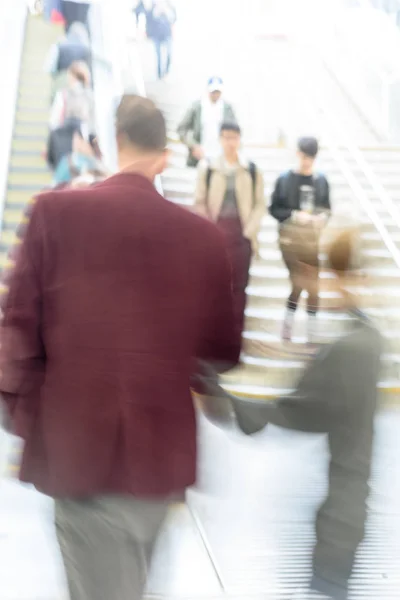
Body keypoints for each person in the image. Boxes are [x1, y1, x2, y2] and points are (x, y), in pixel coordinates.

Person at [0, 95, 240, 600]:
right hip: (160, 461)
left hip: (78, 453)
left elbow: (17, 328)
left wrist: (24, 416)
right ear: (165, 156)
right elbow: (221, 348)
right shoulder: (202, 237)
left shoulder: (53, 212)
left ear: (113, 143)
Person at [196, 229, 383, 600]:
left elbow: (295, 412)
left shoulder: (351, 348)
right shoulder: (366, 337)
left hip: (340, 516)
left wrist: (215, 389)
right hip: (346, 506)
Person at [195, 122, 265, 342]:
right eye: (226, 137)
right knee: (215, 286)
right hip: (216, 235)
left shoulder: (251, 169)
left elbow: (260, 204)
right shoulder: (208, 167)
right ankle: (217, 334)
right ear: (219, 139)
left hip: (241, 236)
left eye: (234, 137)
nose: (230, 142)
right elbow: (199, 202)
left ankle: (236, 335)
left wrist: (248, 230)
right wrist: (209, 231)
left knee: (240, 287)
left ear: (240, 139)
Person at [269, 137, 331, 343]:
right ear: (297, 154)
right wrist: (295, 215)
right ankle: (290, 328)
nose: (306, 161)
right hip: (289, 241)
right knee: (300, 281)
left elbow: (327, 209)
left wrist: (321, 218)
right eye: (303, 156)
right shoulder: (285, 179)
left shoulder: (320, 181)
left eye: (310, 157)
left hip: (311, 241)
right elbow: (274, 208)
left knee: (312, 285)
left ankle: (306, 332)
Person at [177, 76, 237, 167]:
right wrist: (193, 146)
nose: (215, 94)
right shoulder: (197, 107)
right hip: (200, 157)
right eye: (213, 91)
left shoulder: (227, 109)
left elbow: (235, 132)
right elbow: (181, 129)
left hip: (221, 156)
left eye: (218, 91)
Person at [44, 21, 91, 102]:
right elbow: (88, 73)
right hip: (79, 87)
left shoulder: (60, 45)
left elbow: (50, 67)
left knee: (58, 106)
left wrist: (55, 77)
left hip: (61, 80)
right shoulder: (86, 50)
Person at [49, 61, 95, 133]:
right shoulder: (90, 96)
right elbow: (93, 123)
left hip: (65, 137)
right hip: (83, 138)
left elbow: (54, 121)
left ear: (72, 76)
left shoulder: (63, 94)